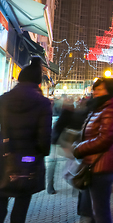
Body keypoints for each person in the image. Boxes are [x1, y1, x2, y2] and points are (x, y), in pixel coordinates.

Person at [0, 57, 52, 223]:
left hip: (4, 157)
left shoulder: (4, 99)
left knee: (1, 198)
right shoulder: (43, 103)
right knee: (21, 203)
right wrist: (42, 153)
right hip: (29, 159)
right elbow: (44, 137)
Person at [73, 78, 113, 223]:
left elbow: (105, 139)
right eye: (95, 89)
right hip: (93, 164)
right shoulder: (101, 107)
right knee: (91, 210)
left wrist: (80, 148)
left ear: (109, 91)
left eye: (100, 89)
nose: (95, 92)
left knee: (100, 212)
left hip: (103, 166)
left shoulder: (112, 109)